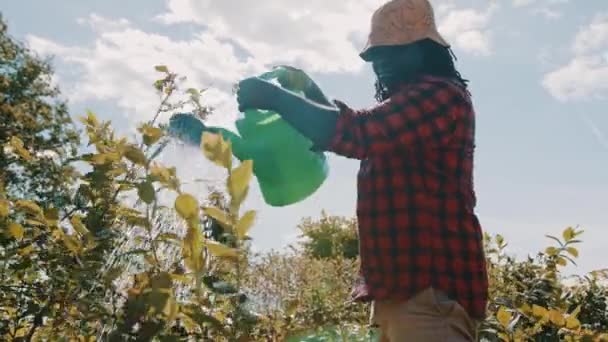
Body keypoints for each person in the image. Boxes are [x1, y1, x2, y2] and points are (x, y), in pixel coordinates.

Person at [236, 0, 488, 340]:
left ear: (423, 51)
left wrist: (277, 98)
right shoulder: (406, 110)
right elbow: (359, 129)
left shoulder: (441, 96)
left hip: (430, 297)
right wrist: (307, 88)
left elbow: (357, 133)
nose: (382, 63)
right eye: (376, 56)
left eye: (393, 52)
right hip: (403, 297)